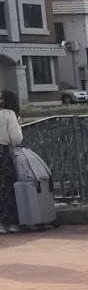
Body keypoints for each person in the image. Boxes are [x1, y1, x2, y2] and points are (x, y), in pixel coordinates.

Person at [0, 91, 21, 233]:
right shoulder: (9, 114)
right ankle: (11, 223)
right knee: (7, 187)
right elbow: (16, 138)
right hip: (3, 153)